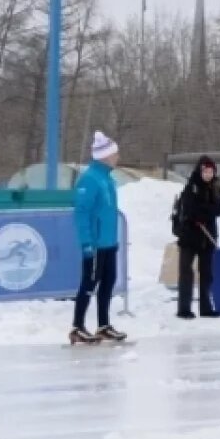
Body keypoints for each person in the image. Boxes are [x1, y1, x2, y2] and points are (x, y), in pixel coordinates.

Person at [69, 131, 128, 345]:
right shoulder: (90, 179)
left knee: (108, 281)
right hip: (94, 243)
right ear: (104, 156)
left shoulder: (107, 179)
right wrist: (87, 242)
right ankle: (77, 326)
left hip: (108, 242)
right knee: (89, 282)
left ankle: (103, 325)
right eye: (115, 154)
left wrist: (112, 239)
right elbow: (82, 212)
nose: (118, 157)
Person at [175, 155, 220, 319]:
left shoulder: (215, 188)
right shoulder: (191, 187)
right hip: (189, 236)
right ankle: (184, 308)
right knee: (186, 272)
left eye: (211, 171)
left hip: (208, 236)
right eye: (206, 171)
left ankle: (206, 307)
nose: (209, 174)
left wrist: (206, 211)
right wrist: (206, 211)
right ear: (200, 171)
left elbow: (219, 209)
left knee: (207, 273)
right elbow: (191, 209)